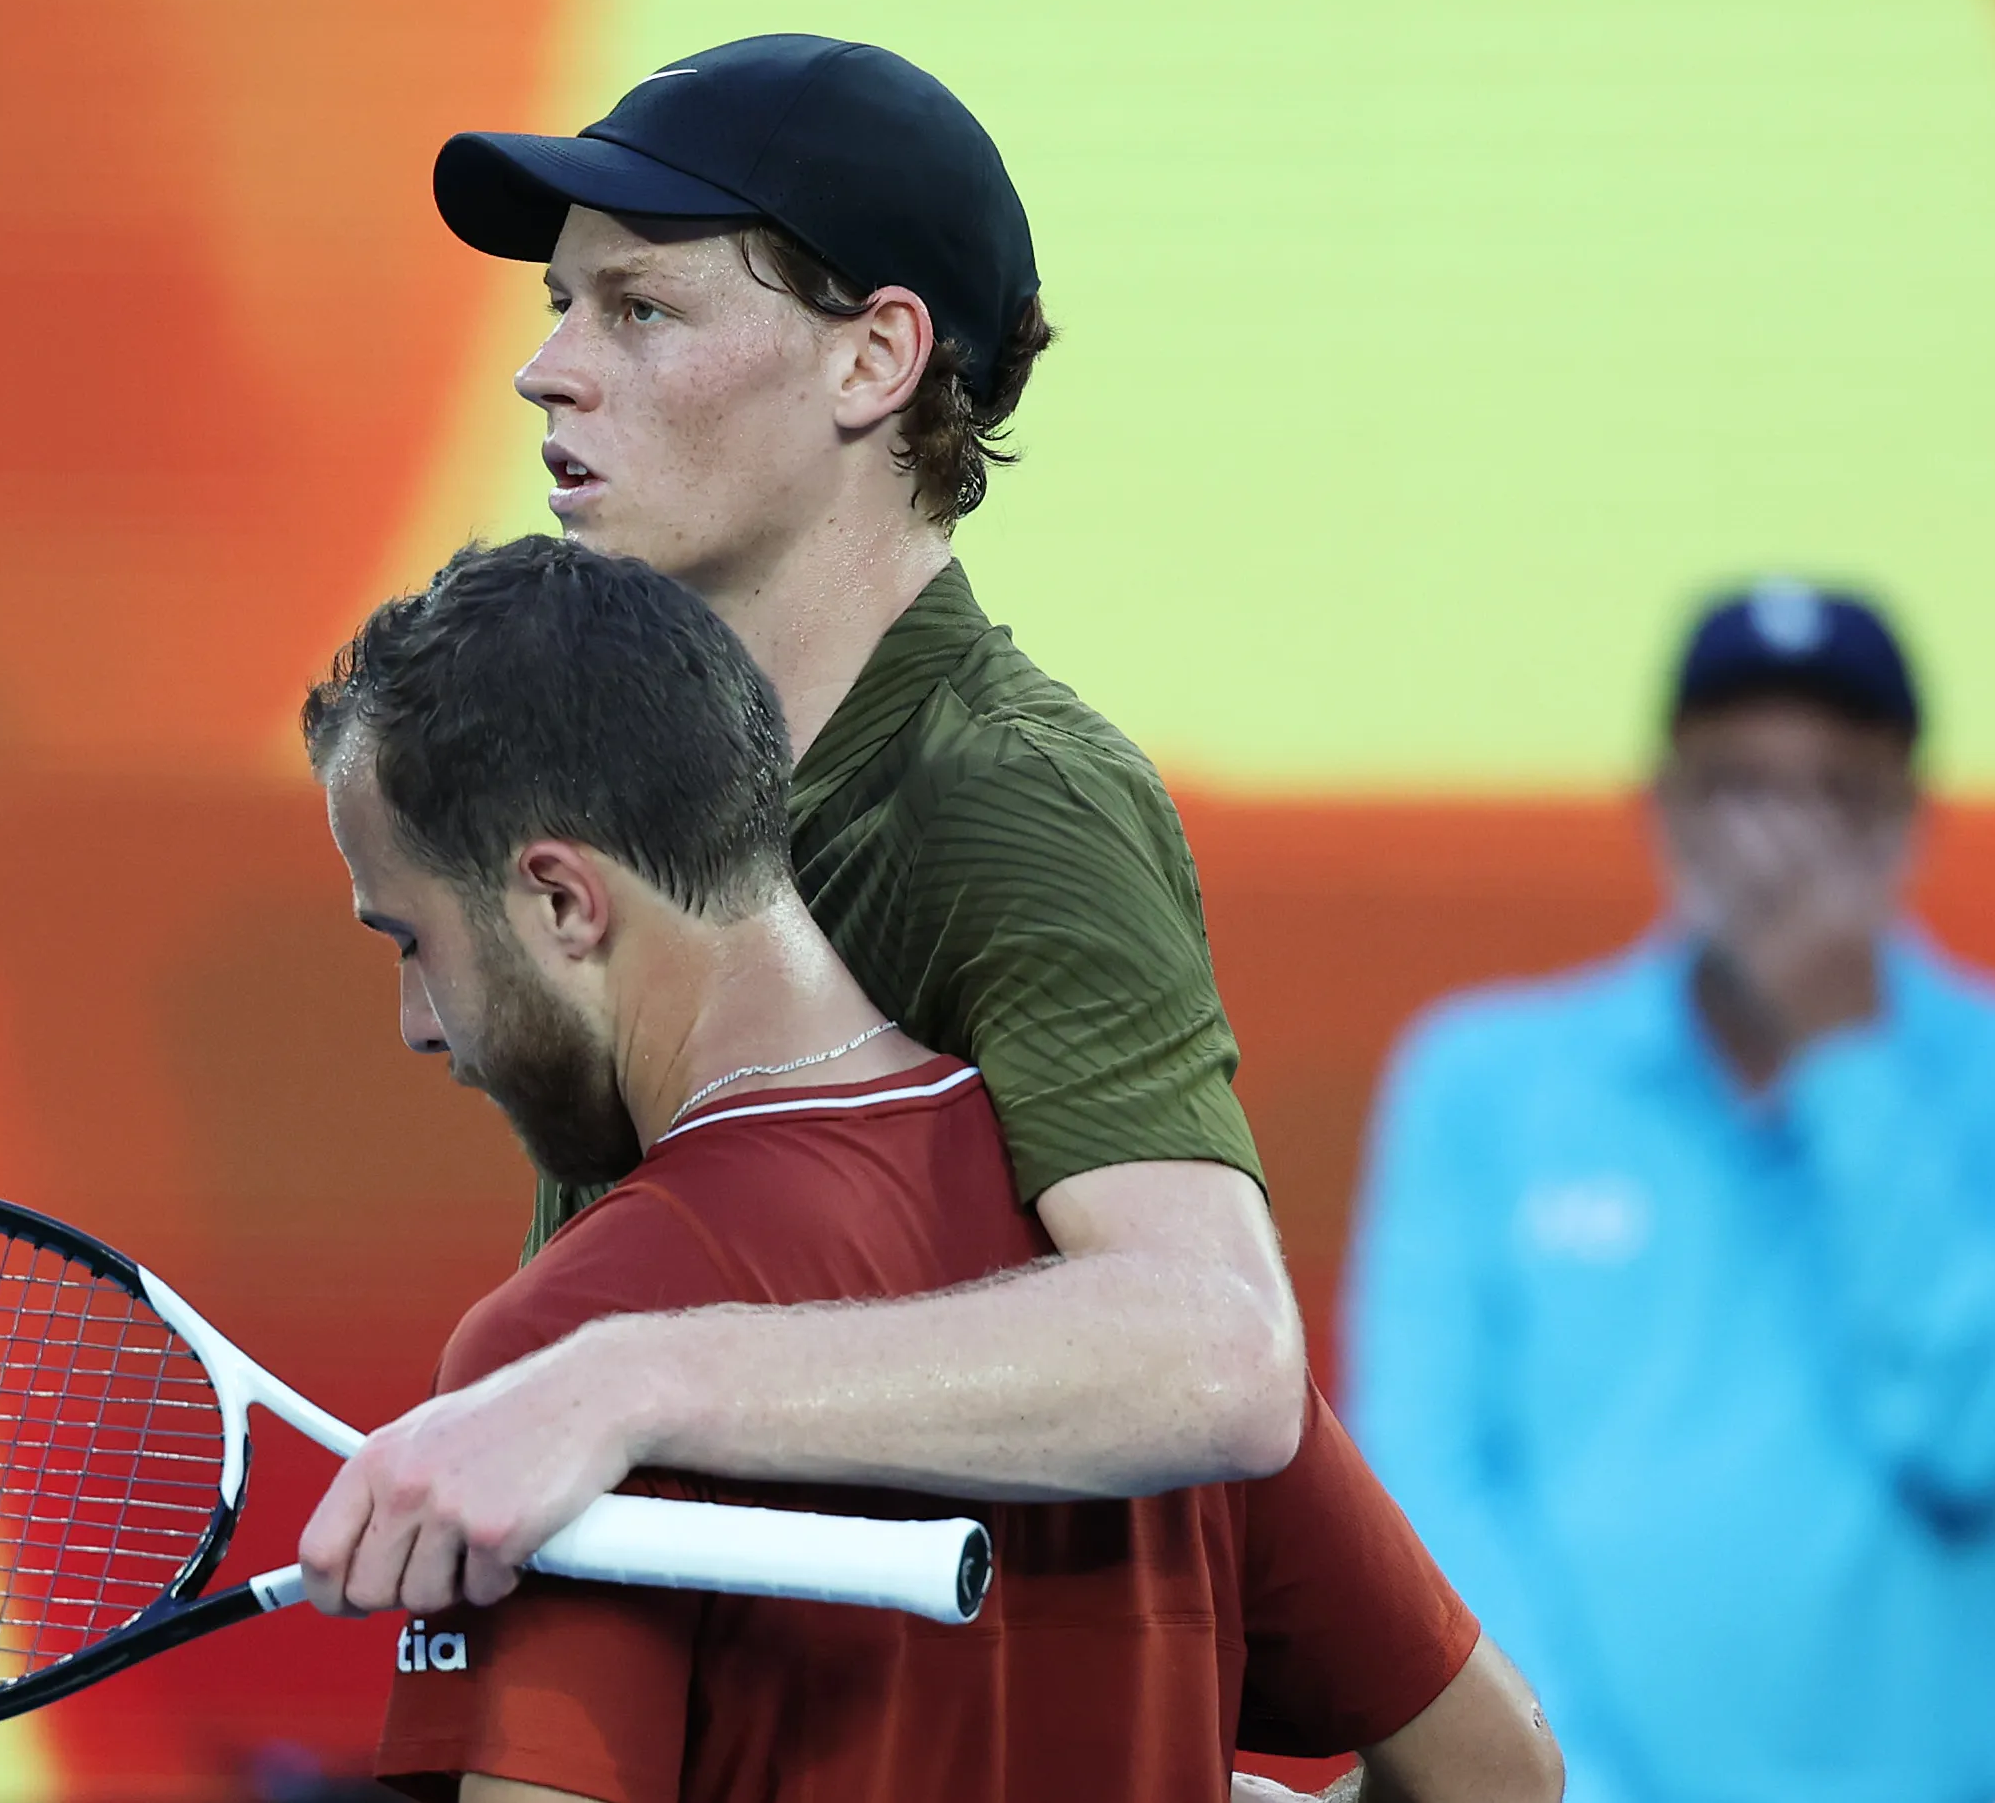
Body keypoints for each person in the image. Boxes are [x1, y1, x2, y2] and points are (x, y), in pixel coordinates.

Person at [301, 32, 1307, 1614]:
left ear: (873, 359)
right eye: (559, 306)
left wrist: (617, 1377)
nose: (547, 366)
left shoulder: (1004, 792)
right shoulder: (639, 775)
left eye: (639, 308)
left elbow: (1217, 1347)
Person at [305, 535, 1561, 1802]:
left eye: (412, 939)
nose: (418, 1020)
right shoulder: (1128, 1299)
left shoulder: (553, 1374)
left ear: (565, 903)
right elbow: (1496, 1778)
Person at [1343, 580, 1995, 1803]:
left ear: (1907, 821)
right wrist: (1555, 1779)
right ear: (1662, 812)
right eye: (1739, 788)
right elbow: (1426, 1484)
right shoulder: (1481, 1083)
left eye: (1833, 795)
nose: (1781, 846)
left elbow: (1987, 1444)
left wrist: (1839, 1058)